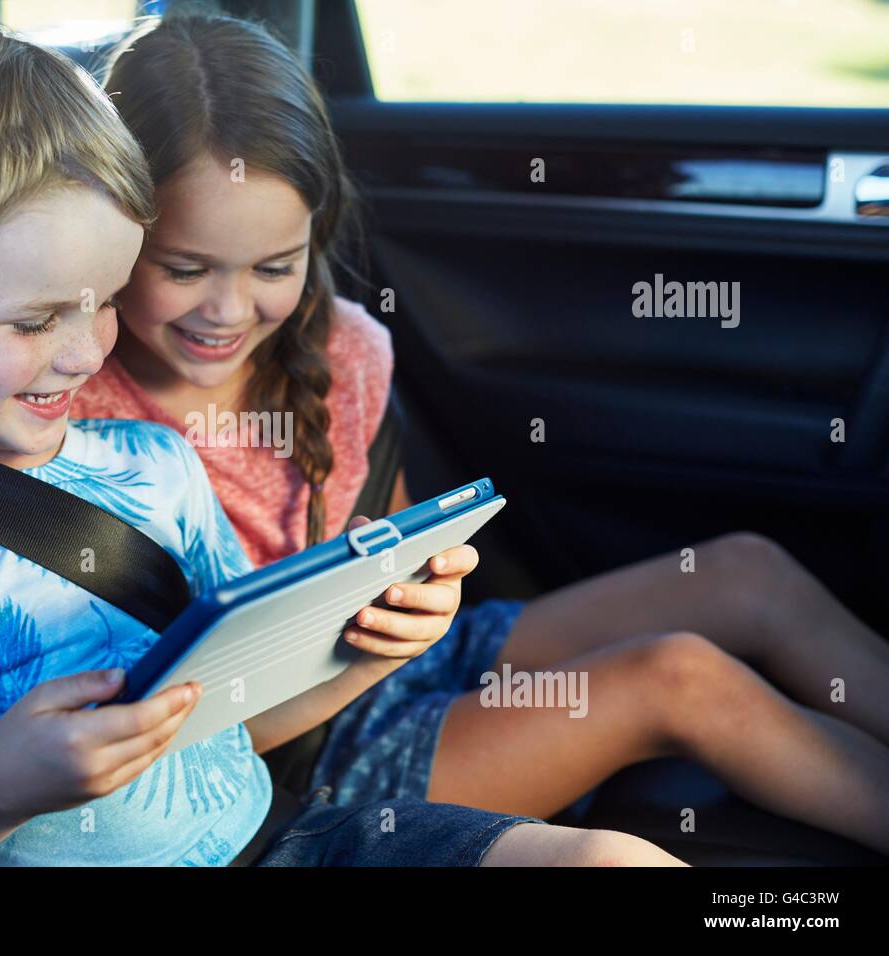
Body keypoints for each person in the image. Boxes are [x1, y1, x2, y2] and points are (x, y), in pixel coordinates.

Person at [0, 23, 682, 867]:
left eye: (105, 302)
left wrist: (373, 654)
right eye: (37, 320)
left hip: (289, 840)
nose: (84, 354)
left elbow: (234, 722)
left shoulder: (155, 469)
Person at [71, 13, 889, 855]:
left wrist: (419, 583)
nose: (231, 310)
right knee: (678, 676)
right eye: (185, 269)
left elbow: (398, 538)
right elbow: (178, 739)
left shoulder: (338, 348)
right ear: (109, 235)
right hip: (293, 757)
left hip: (405, 657)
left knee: (745, 571)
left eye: (274, 267)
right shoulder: (73, 420)